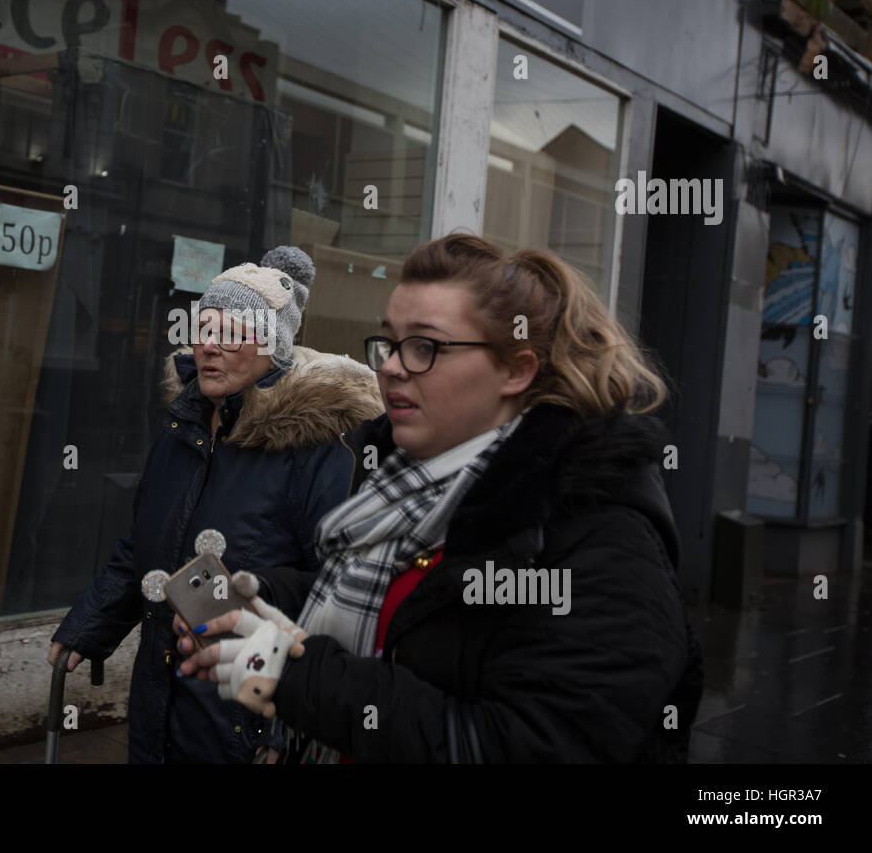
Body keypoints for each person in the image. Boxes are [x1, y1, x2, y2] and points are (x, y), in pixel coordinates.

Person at [178, 233, 704, 763]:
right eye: (389, 343)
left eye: (425, 347)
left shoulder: (603, 538)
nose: (390, 367)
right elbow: (408, 603)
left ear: (517, 369)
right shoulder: (406, 475)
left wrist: (292, 676)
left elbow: (523, 745)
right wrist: (270, 595)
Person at [48, 246, 383, 763]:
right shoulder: (183, 431)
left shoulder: (313, 449)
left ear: (274, 344)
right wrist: (90, 626)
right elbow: (146, 545)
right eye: (204, 328)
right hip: (160, 699)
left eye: (232, 333)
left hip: (242, 720)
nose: (209, 345)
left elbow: (330, 596)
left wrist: (279, 729)